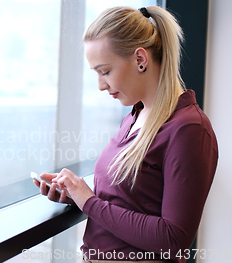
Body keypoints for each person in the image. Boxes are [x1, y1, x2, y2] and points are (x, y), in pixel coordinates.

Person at [33, 6, 218, 263]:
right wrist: (75, 195)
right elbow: (127, 203)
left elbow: (173, 240)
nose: (100, 85)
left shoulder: (189, 129)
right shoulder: (135, 115)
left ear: (140, 60)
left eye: (105, 71)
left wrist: (89, 202)